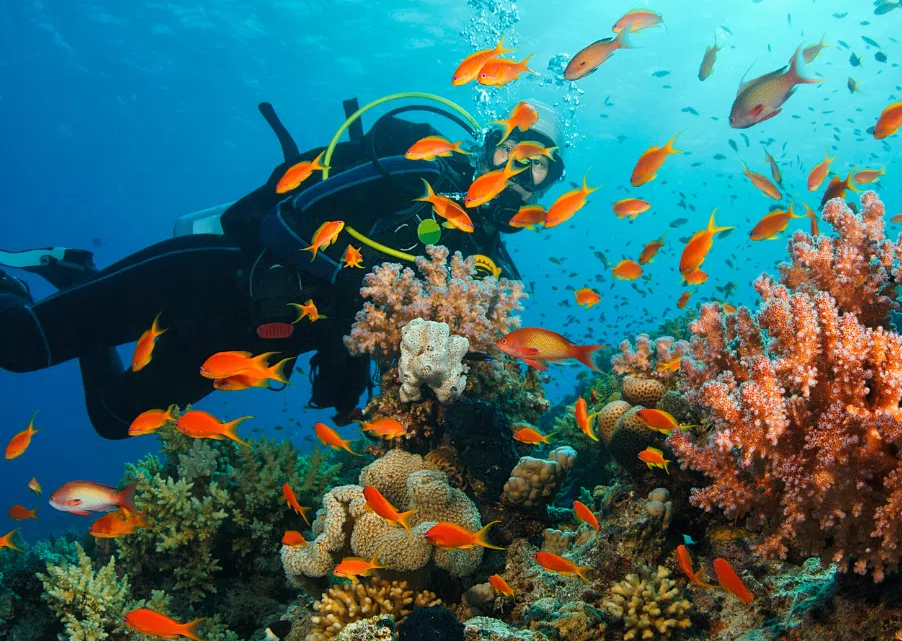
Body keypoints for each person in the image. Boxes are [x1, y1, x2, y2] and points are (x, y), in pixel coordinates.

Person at [0, 96, 564, 439]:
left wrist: (349, 389)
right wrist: (347, 279)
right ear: (491, 146)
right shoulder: (414, 173)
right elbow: (283, 221)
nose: (519, 172)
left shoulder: (492, 274)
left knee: (112, 420)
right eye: (511, 153)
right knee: (19, 346)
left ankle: (75, 273)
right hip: (212, 277)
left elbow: (384, 340)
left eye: (539, 169)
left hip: (249, 347)